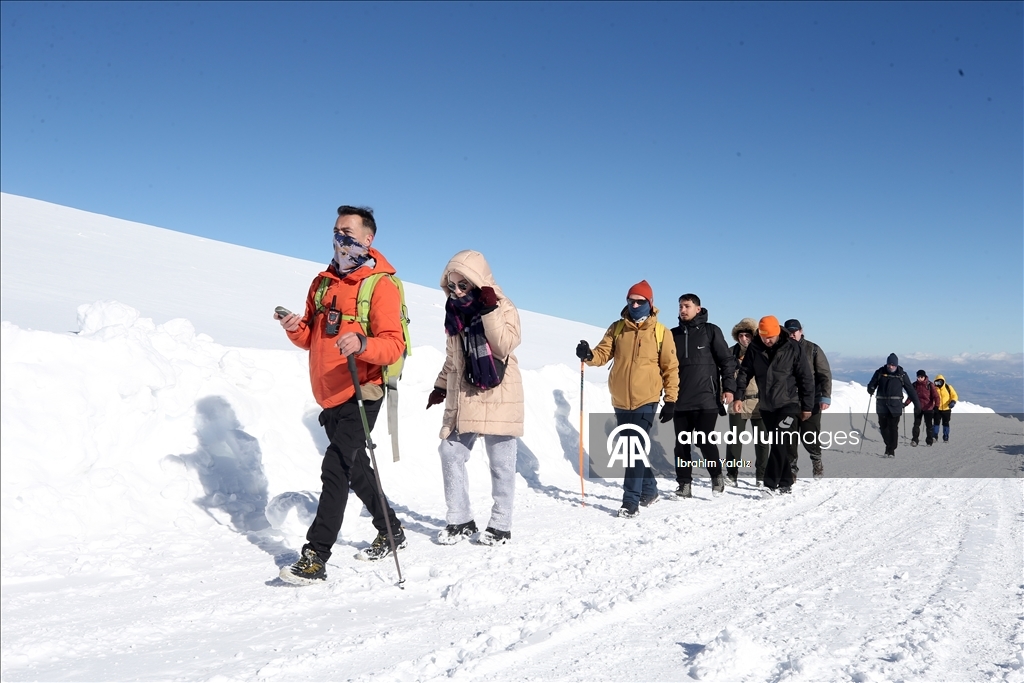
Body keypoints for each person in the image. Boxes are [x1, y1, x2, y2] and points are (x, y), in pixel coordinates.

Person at [277, 205, 408, 585]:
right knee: (355, 468)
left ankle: (316, 556)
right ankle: (391, 529)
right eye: (336, 231)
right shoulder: (322, 282)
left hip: (362, 392)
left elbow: (392, 346)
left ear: (368, 239)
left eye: (348, 232)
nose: (340, 238)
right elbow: (311, 338)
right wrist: (293, 327)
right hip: (328, 393)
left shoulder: (379, 285)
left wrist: (362, 343)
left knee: (335, 467)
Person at [426, 250, 524, 546]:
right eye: (451, 286)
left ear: (478, 282)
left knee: (501, 463)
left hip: (499, 392)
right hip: (466, 391)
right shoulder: (454, 313)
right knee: (450, 452)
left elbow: (504, 345)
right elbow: (453, 357)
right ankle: (460, 518)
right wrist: (441, 385)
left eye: (463, 285)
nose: (456, 292)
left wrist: (489, 310)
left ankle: (500, 524)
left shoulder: (503, 307)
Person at [576, 280, 679, 518]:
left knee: (633, 447)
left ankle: (630, 502)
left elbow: (670, 368)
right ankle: (650, 490)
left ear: (650, 304)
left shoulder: (661, 332)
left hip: (647, 398)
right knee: (632, 448)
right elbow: (603, 354)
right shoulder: (617, 328)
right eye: (631, 300)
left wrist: (671, 399)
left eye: (640, 301)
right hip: (620, 398)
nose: (634, 305)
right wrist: (588, 354)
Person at [732, 316, 814, 495]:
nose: (767, 340)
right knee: (779, 444)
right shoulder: (755, 348)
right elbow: (745, 373)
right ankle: (786, 482)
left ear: (778, 333)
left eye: (770, 337)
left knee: (778, 441)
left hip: (789, 404)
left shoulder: (793, 348)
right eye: (763, 337)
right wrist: (738, 397)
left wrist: (807, 406)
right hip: (767, 406)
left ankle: (769, 484)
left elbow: (806, 378)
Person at [671, 294, 736, 497]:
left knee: (705, 440)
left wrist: (729, 388)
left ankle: (716, 475)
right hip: (680, 399)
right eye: (680, 306)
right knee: (681, 445)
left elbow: (726, 360)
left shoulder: (711, 331)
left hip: (707, 397)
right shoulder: (672, 334)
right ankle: (684, 484)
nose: (683, 310)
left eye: (687, 306)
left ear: (698, 309)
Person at [783, 319, 832, 480]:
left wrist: (825, 396)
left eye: (794, 331)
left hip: (811, 401)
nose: (792, 334)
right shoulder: (781, 349)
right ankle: (791, 469)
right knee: (789, 437)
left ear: (801, 331)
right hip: (789, 401)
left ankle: (816, 460)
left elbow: (824, 374)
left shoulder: (813, 349)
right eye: (789, 332)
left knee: (809, 436)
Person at [725, 318, 770, 486]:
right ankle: (731, 475)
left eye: (747, 335)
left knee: (762, 441)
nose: (744, 339)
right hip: (738, 401)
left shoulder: (763, 352)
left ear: (754, 335)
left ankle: (761, 476)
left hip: (760, 402)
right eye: (741, 335)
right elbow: (724, 375)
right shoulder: (730, 353)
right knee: (734, 440)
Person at [866, 353, 920, 457]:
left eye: (893, 365)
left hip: (895, 406)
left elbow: (910, 390)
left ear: (896, 365)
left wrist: (917, 405)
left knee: (893, 428)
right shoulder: (879, 372)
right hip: (882, 405)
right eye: (889, 364)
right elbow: (871, 385)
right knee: (883, 427)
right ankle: (888, 445)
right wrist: (871, 389)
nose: (890, 367)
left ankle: (891, 450)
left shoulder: (902, 375)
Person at [907, 370, 940, 446]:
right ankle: (915, 440)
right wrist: (905, 404)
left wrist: (936, 406)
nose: (920, 378)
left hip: (928, 408)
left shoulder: (930, 385)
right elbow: (911, 396)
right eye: (918, 377)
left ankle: (929, 441)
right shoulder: (914, 385)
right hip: (918, 408)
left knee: (929, 425)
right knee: (916, 424)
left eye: (922, 377)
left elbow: (936, 397)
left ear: (925, 377)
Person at [932, 374, 958, 443]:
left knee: (946, 423)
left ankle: (946, 437)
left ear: (943, 381)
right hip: (937, 409)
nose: (938, 384)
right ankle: (934, 436)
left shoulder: (948, 387)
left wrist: (953, 401)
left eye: (940, 382)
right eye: (936, 382)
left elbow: (954, 395)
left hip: (947, 409)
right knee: (936, 423)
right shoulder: (934, 389)